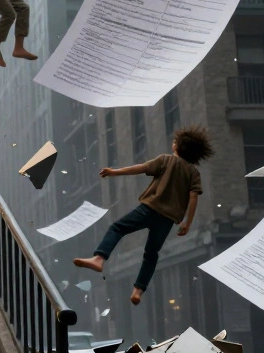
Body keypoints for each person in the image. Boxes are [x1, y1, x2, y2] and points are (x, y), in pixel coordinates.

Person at [73, 126, 214, 305]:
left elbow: (140, 168)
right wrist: (187, 222)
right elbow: (193, 198)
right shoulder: (193, 173)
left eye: (174, 141)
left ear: (177, 146)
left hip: (148, 209)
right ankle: (138, 290)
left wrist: (115, 172)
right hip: (167, 219)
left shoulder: (165, 160)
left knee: (118, 227)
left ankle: (99, 258)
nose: (173, 143)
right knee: (151, 253)